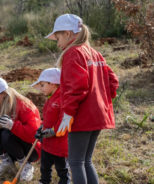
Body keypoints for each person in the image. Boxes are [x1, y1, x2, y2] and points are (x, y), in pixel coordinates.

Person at [46, 14, 119, 184]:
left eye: (57, 38)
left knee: (76, 162)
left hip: (81, 116)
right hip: (98, 115)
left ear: (68, 34)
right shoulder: (95, 53)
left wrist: (67, 114)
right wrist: (100, 102)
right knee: (86, 160)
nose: (57, 44)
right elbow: (113, 81)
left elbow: (76, 88)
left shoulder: (72, 53)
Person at [32, 68, 71, 184]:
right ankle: (44, 181)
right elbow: (47, 119)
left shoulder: (62, 99)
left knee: (62, 169)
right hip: (47, 144)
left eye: (43, 85)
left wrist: (52, 132)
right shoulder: (49, 99)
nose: (41, 89)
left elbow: (64, 121)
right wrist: (41, 128)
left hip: (59, 145)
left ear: (52, 84)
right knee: (44, 167)